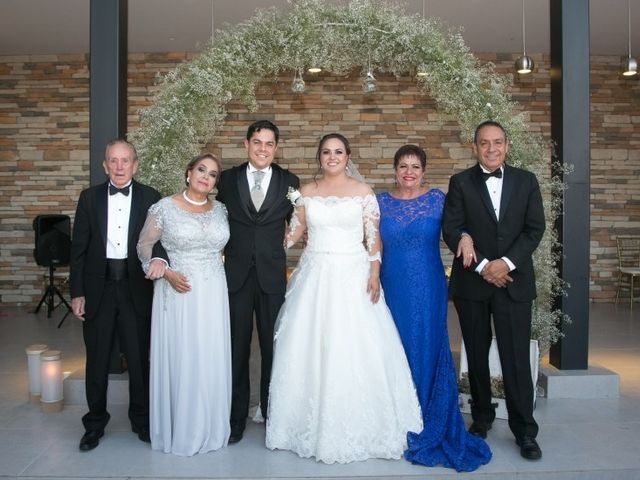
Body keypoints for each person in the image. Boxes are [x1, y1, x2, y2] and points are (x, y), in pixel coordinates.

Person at [265, 133, 422, 464]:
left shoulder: (363, 193)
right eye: (326, 152)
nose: (332, 157)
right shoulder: (306, 193)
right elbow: (292, 235)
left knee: (353, 346)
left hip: (353, 275)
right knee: (308, 346)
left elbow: (373, 238)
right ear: (319, 156)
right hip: (315, 276)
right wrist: (262, 248)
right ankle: (299, 425)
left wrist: (374, 272)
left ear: (348, 156)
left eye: (338, 152)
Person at [377, 144, 492, 471]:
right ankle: (395, 414)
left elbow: (460, 224)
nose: (409, 172)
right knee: (392, 347)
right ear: (394, 169)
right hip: (391, 286)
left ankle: (425, 412)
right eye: (403, 166)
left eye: (415, 166)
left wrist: (466, 236)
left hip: (428, 286)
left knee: (425, 346)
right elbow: (367, 241)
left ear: (424, 171)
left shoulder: (438, 199)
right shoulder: (380, 202)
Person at [442, 121, 546, 461]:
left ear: (506, 145)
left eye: (497, 142)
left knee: (516, 358)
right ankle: (482, 416)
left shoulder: (526, 181)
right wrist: (487, 266)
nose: (491, 148)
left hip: (514, 283)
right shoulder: (460, 182)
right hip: (473, 283)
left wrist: (506, 263)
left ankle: (524, 430)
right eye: (484, 143)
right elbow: (452, 228)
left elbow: (534, 229)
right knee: (475, 351)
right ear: (474, 148)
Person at [70, 139, 166, 451]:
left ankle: (141, 420)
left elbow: (160, 241)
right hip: (98, 289)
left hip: (135, 288)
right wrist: (78, 292)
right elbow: (78, 250)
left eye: (125, 161)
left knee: (139, 359)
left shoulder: (151, 197)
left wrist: (159, 260)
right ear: (105, 165)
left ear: (135, 165)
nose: (120, 167)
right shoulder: (89, 198)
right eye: (113, 160)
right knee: (97, 360)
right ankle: (94, 423)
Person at [136, 153, 231, 456]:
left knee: (209, 355)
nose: (206, 176)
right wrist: (162, 268)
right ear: (188, 173)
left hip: (214, 292)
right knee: (184, 354)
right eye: (201, 170)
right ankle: (182, 427)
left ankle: (210, 424)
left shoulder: (221, 210)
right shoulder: (165, 207)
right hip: (178, 292)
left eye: (213, 174)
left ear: (216, 182)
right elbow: (144, 245)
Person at [216, 120, 300, 444]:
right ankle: (236, 417)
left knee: (272, 348)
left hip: (271, 277)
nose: (262, 148)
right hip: (235, 276)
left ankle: (271, 412)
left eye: (269, 143)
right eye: (257, 142)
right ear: (246, 144)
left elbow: (300, 222)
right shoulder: (226, 179)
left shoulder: (290, 181)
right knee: (237, 349)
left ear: (276, 148)